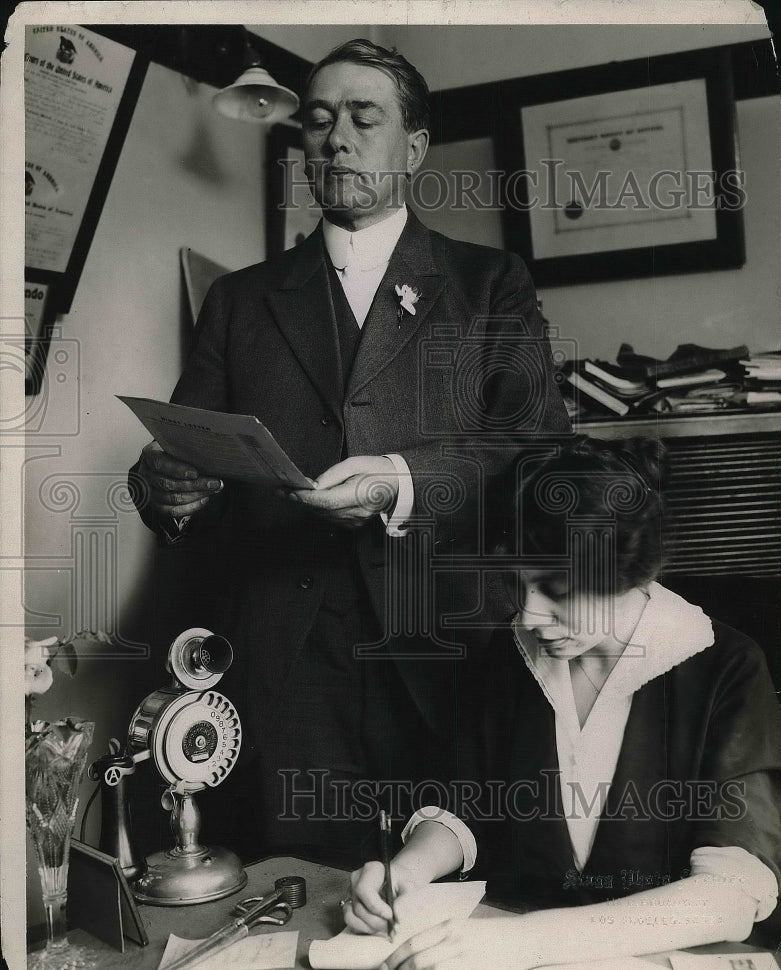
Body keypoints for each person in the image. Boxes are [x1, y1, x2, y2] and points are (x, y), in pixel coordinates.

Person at [129, 38, 571, 866]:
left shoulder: (488, 283)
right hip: (286, 651)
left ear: (412, 147)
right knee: (298, 886)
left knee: (448, 886)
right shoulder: (241, 299)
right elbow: (184, 444)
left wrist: (404, 481)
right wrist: (165, 485)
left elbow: (539, 447)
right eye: (320, 120)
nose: (336, 139)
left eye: (363, 119)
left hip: (447, 638)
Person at [344, 436, 781, 970]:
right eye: (518, 584)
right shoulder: (514, 654)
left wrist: (524, 941)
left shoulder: (725, 669)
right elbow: (472, 806)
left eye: (557, 588)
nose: (530, 615)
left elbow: (731, 894)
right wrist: (407, 872)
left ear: (631, 570)